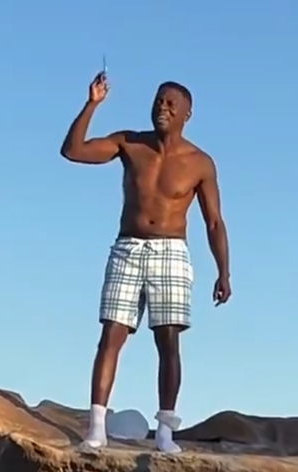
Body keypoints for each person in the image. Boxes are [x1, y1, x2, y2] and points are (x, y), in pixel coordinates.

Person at [60, 73, 232, 453]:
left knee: (168, 341)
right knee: (111, 335)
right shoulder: (130, 143)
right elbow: (72, 151)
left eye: (171, 103)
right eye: (158, 100)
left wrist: (224, 272)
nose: (163, 107)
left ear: (188, 113)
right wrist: (93, 104)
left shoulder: (200, 162)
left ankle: (166, 431)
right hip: (127, 248)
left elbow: (214, 221)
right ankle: (97, 428)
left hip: (171, 252)